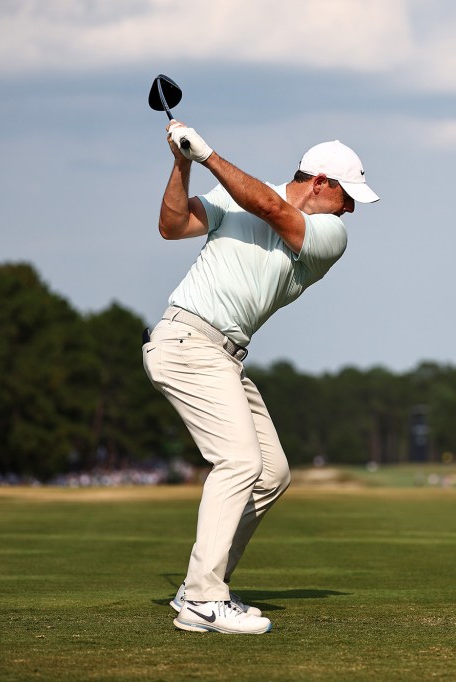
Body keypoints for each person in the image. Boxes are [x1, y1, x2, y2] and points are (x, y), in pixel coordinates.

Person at [142, 120, 379, 634]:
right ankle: (204, 598)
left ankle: (202, 585)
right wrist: (182, 163)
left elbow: (271, 209)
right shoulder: (236, 195)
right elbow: (172, 225)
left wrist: (207, 155)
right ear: (320, 181)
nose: (352, 209)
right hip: (185, 342)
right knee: (240, 461)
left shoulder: (329, 236)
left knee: (270, 474)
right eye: (348, 196)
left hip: (224, 356)